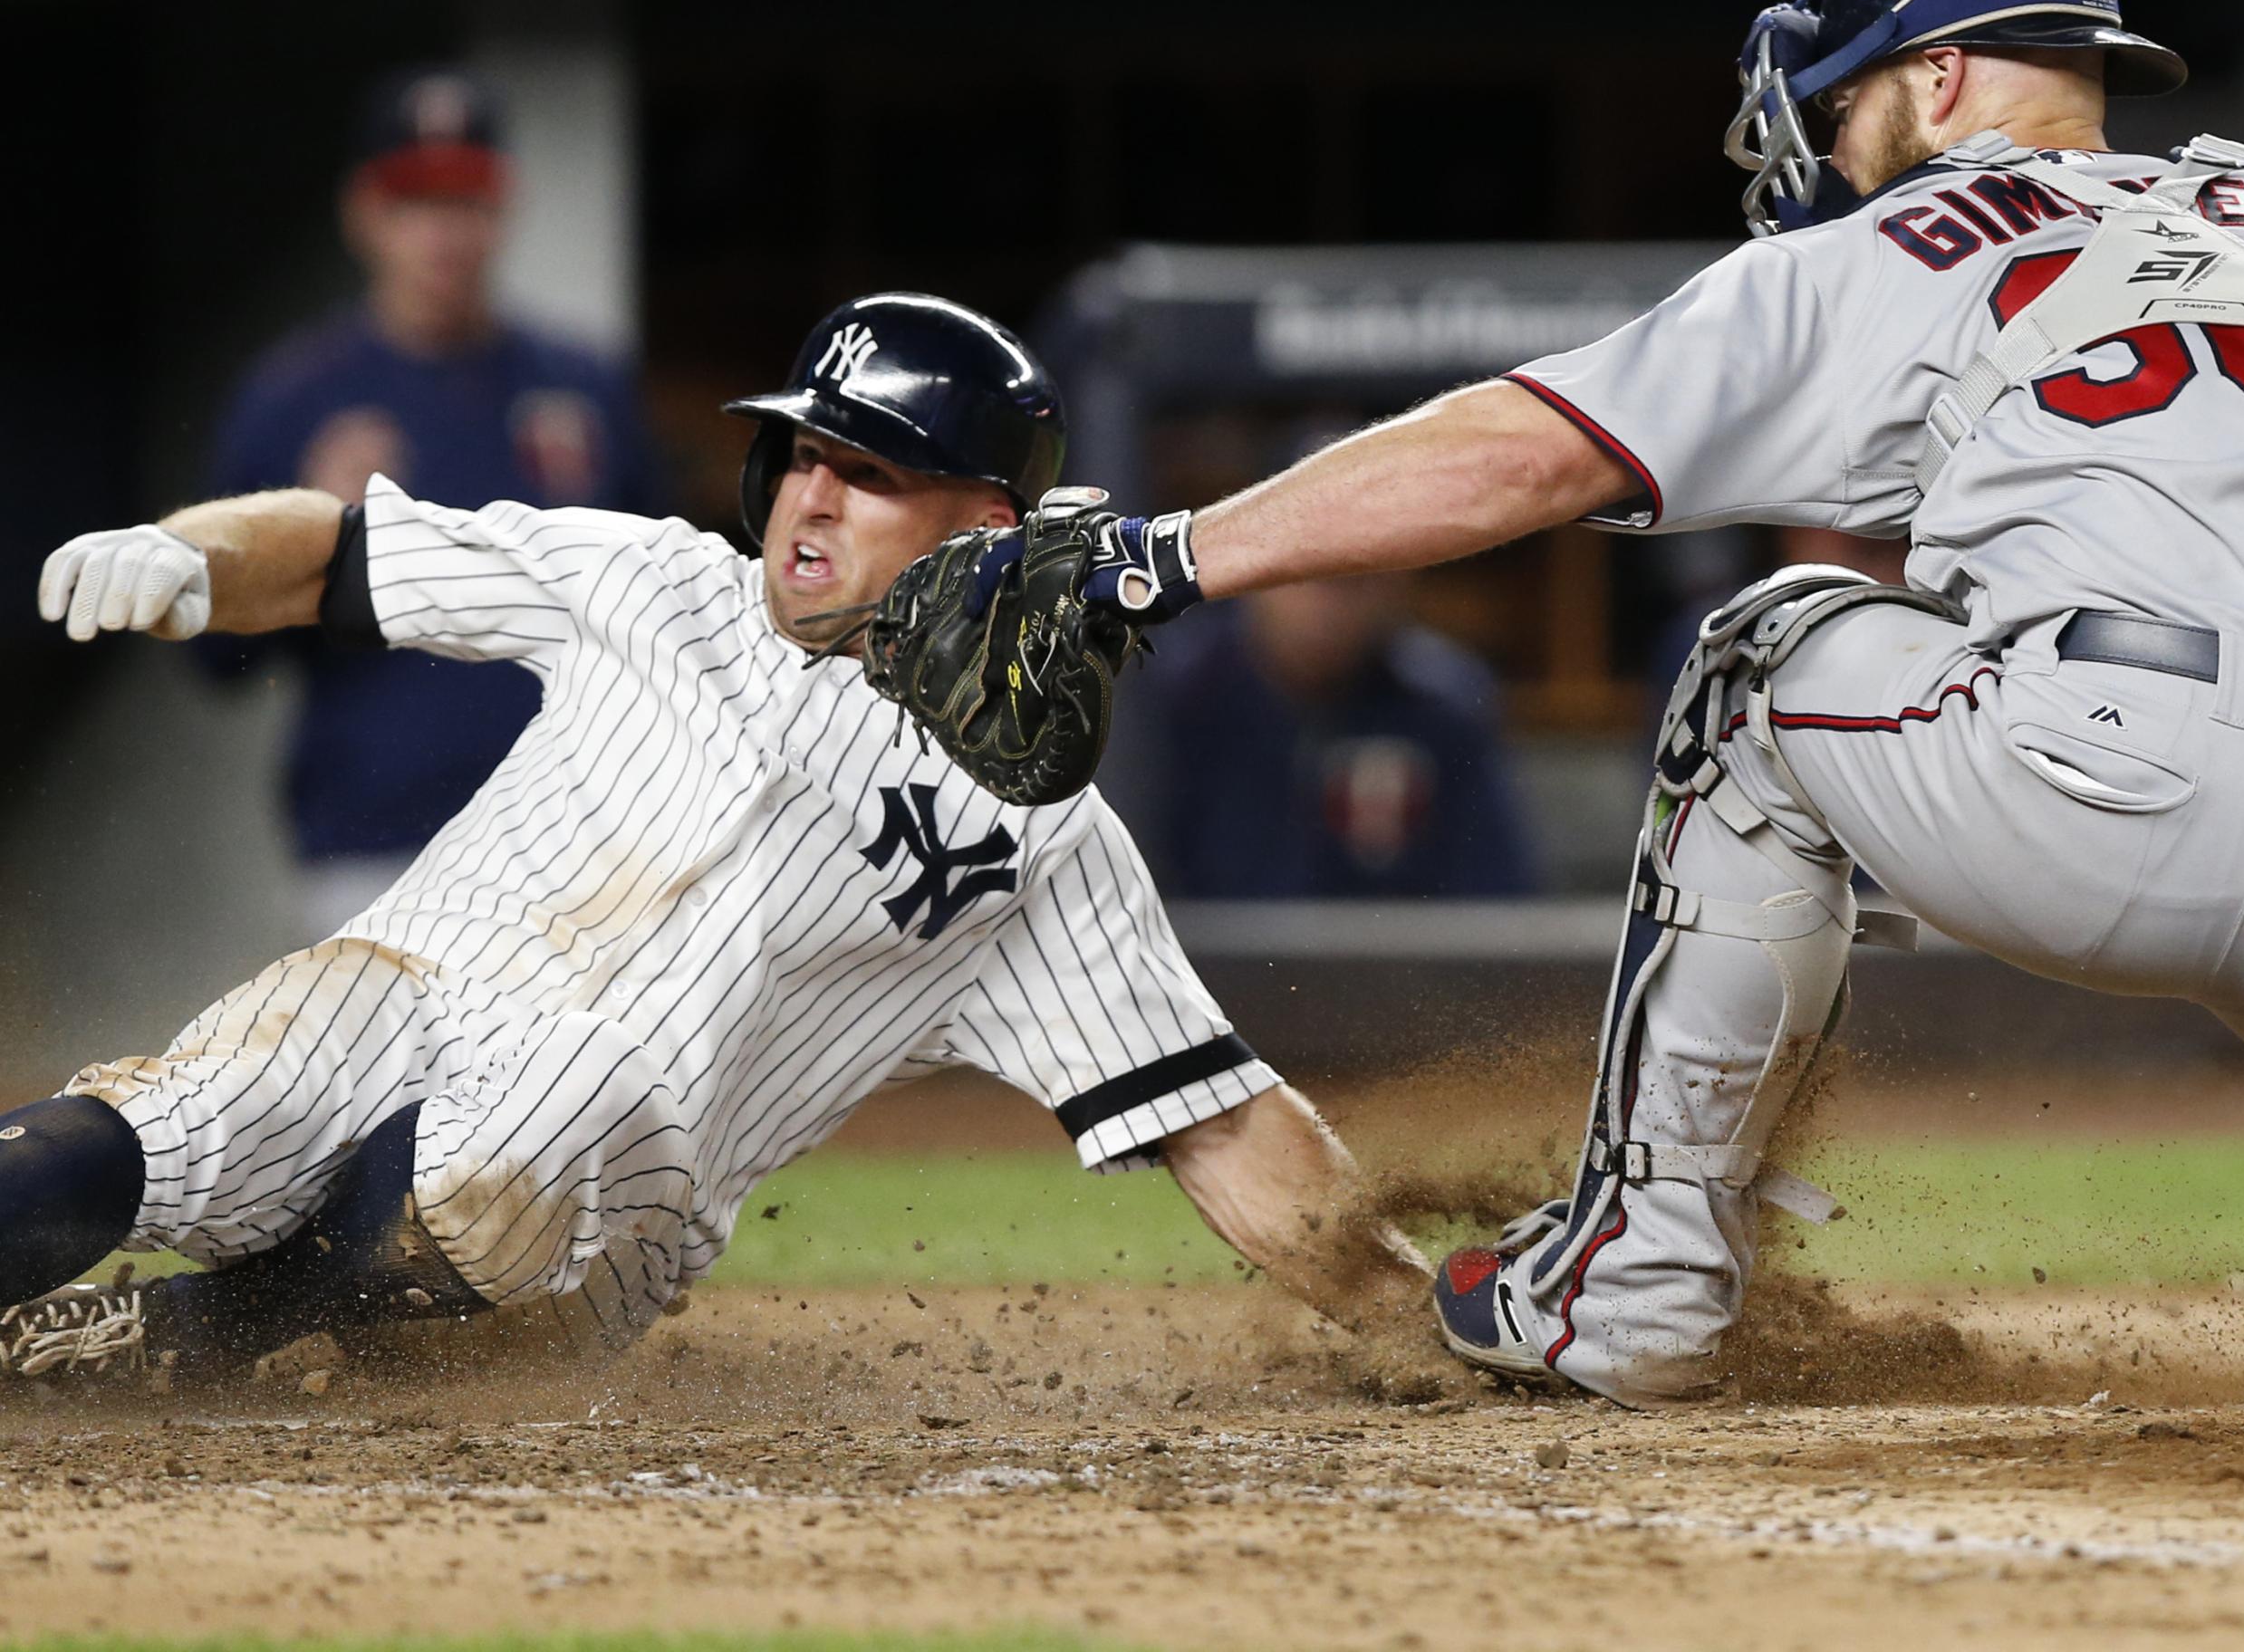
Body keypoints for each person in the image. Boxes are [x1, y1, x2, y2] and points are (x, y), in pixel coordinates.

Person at [945, 0, 2244, 1423]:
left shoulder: (1908, 239)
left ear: (1939, 76)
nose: (1821, 152)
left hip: (2089, 781)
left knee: (1752, 662)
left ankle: (1642, 1284)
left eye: (1836, 107)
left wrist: (1162, 554)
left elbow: (1529, 449)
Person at [6, 293, 1420, 1384]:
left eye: (865, 472)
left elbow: (1221, 1122)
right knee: (210, 1101)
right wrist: (193, 553)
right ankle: (107, 1323)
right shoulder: (651, 580)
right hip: (398, 1025)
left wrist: (1418, 1319)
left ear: (989, 530)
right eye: (802, 453)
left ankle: (177, 1336)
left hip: (570, 1255)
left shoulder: (1040, 840)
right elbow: (329, 548)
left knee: (559, 1086)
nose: (809, 493)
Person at [206, 66, 657, 937]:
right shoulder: (295, 397)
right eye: (413, 200)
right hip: (372, 845)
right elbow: (216, 661)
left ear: (504, 204)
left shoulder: (583, 388)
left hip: (571, 840)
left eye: (466, 198)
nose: (443, 231)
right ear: (362, 212)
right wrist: (300, 528)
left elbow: (659, 615)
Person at [1147, 570, 1538, 898]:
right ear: (1251, 577)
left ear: (1397, 584)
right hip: (1189, 981)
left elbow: (1497, 908)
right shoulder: (1176, 692)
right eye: (1300, 577)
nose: (1324, 607)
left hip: (1394, 984)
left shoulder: (1445, 706)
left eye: (1352, 581)